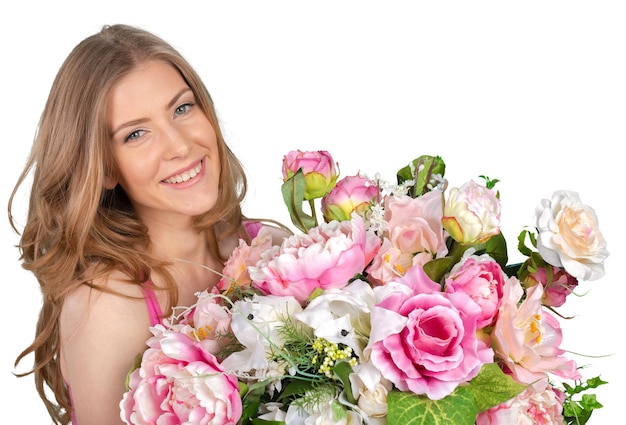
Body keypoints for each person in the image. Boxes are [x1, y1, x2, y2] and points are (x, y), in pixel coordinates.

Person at [8, 24, 291, 425]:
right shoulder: (108, 306)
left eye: (182, 108)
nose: (179, 146)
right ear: (104, 167)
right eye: (136, 134)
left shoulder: (274, 250)